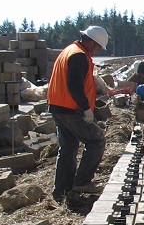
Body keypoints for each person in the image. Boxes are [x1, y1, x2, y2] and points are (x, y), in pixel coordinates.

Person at [47, 25, 110, 201]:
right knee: (97, 140)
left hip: (59, 106)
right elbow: (74, 86)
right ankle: (82, 181)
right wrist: (85, 109)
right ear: (90, 42)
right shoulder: (79, 56)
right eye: (98, 47)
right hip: (70, 109)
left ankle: (62, 191)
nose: (97, 51)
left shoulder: (70, 51)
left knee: (68, 148)